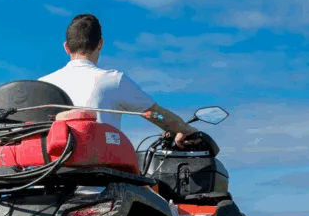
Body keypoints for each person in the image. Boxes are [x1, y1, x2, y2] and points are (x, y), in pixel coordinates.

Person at [39, 14, 214, 153]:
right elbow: (153, 115)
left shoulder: (41, 86)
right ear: (100, 44)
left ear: (66, 47)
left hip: (45, 182)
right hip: (100, 180)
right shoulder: (113, 80)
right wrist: (184, 129)